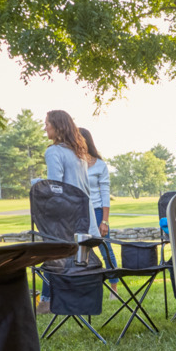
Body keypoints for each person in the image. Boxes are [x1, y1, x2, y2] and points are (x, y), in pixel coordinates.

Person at [38, 110, 97, 314]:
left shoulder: (54, 152)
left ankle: (46, 302)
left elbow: (56, 188)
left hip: (66, 217)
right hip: (85, 216)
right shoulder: (78, 152)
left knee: (54, 257)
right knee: (80, 261)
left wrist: (37, 184)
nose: (45, 127)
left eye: (47, 124)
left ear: (57, 126)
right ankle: (78, 300)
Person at [80, 127, 120, 298]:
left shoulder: (100, 165)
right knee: (81, 250)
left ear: (85, 140)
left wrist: (104, 221)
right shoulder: (73, 162)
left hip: (96, 211)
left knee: (106, 248)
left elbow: (105, 194)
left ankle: (114, 288)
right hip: (79, 212)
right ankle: (86, 286)